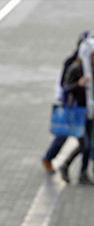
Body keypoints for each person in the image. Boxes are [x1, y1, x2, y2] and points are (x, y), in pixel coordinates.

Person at [42, 31, 91, 173]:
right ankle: (49, 158)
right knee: (64, 134)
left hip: (85, 106)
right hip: (72, 105)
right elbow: (65, 85)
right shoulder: (73, 62)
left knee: (86, 141)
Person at [59, 43, 94, 185]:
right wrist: (79, 84)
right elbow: (66, 88)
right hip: (79, 112)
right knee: (84, 144)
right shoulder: (76, 69)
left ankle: (83, 172)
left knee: (90, 145)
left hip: (91, 111)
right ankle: (65, 164)